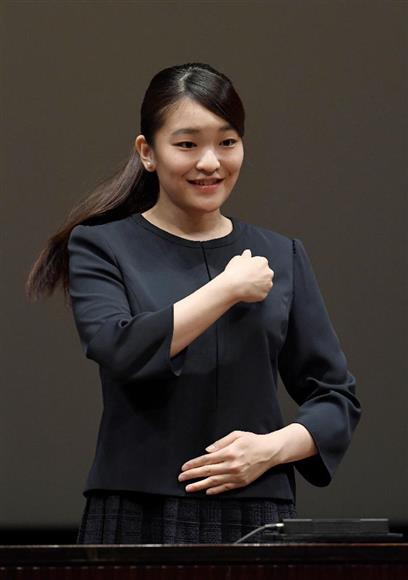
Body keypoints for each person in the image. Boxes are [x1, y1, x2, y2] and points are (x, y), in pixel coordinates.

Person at [26, 62, 362, 544]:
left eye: (227, 142)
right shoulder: (101, 246)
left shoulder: (281, 254)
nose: (210, 162)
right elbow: (120, 349)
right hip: (137, 507)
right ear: (147, 152)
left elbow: (335, 397)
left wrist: (269, 450)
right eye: (187, 145)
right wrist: (226, 289)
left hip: (256, 506)